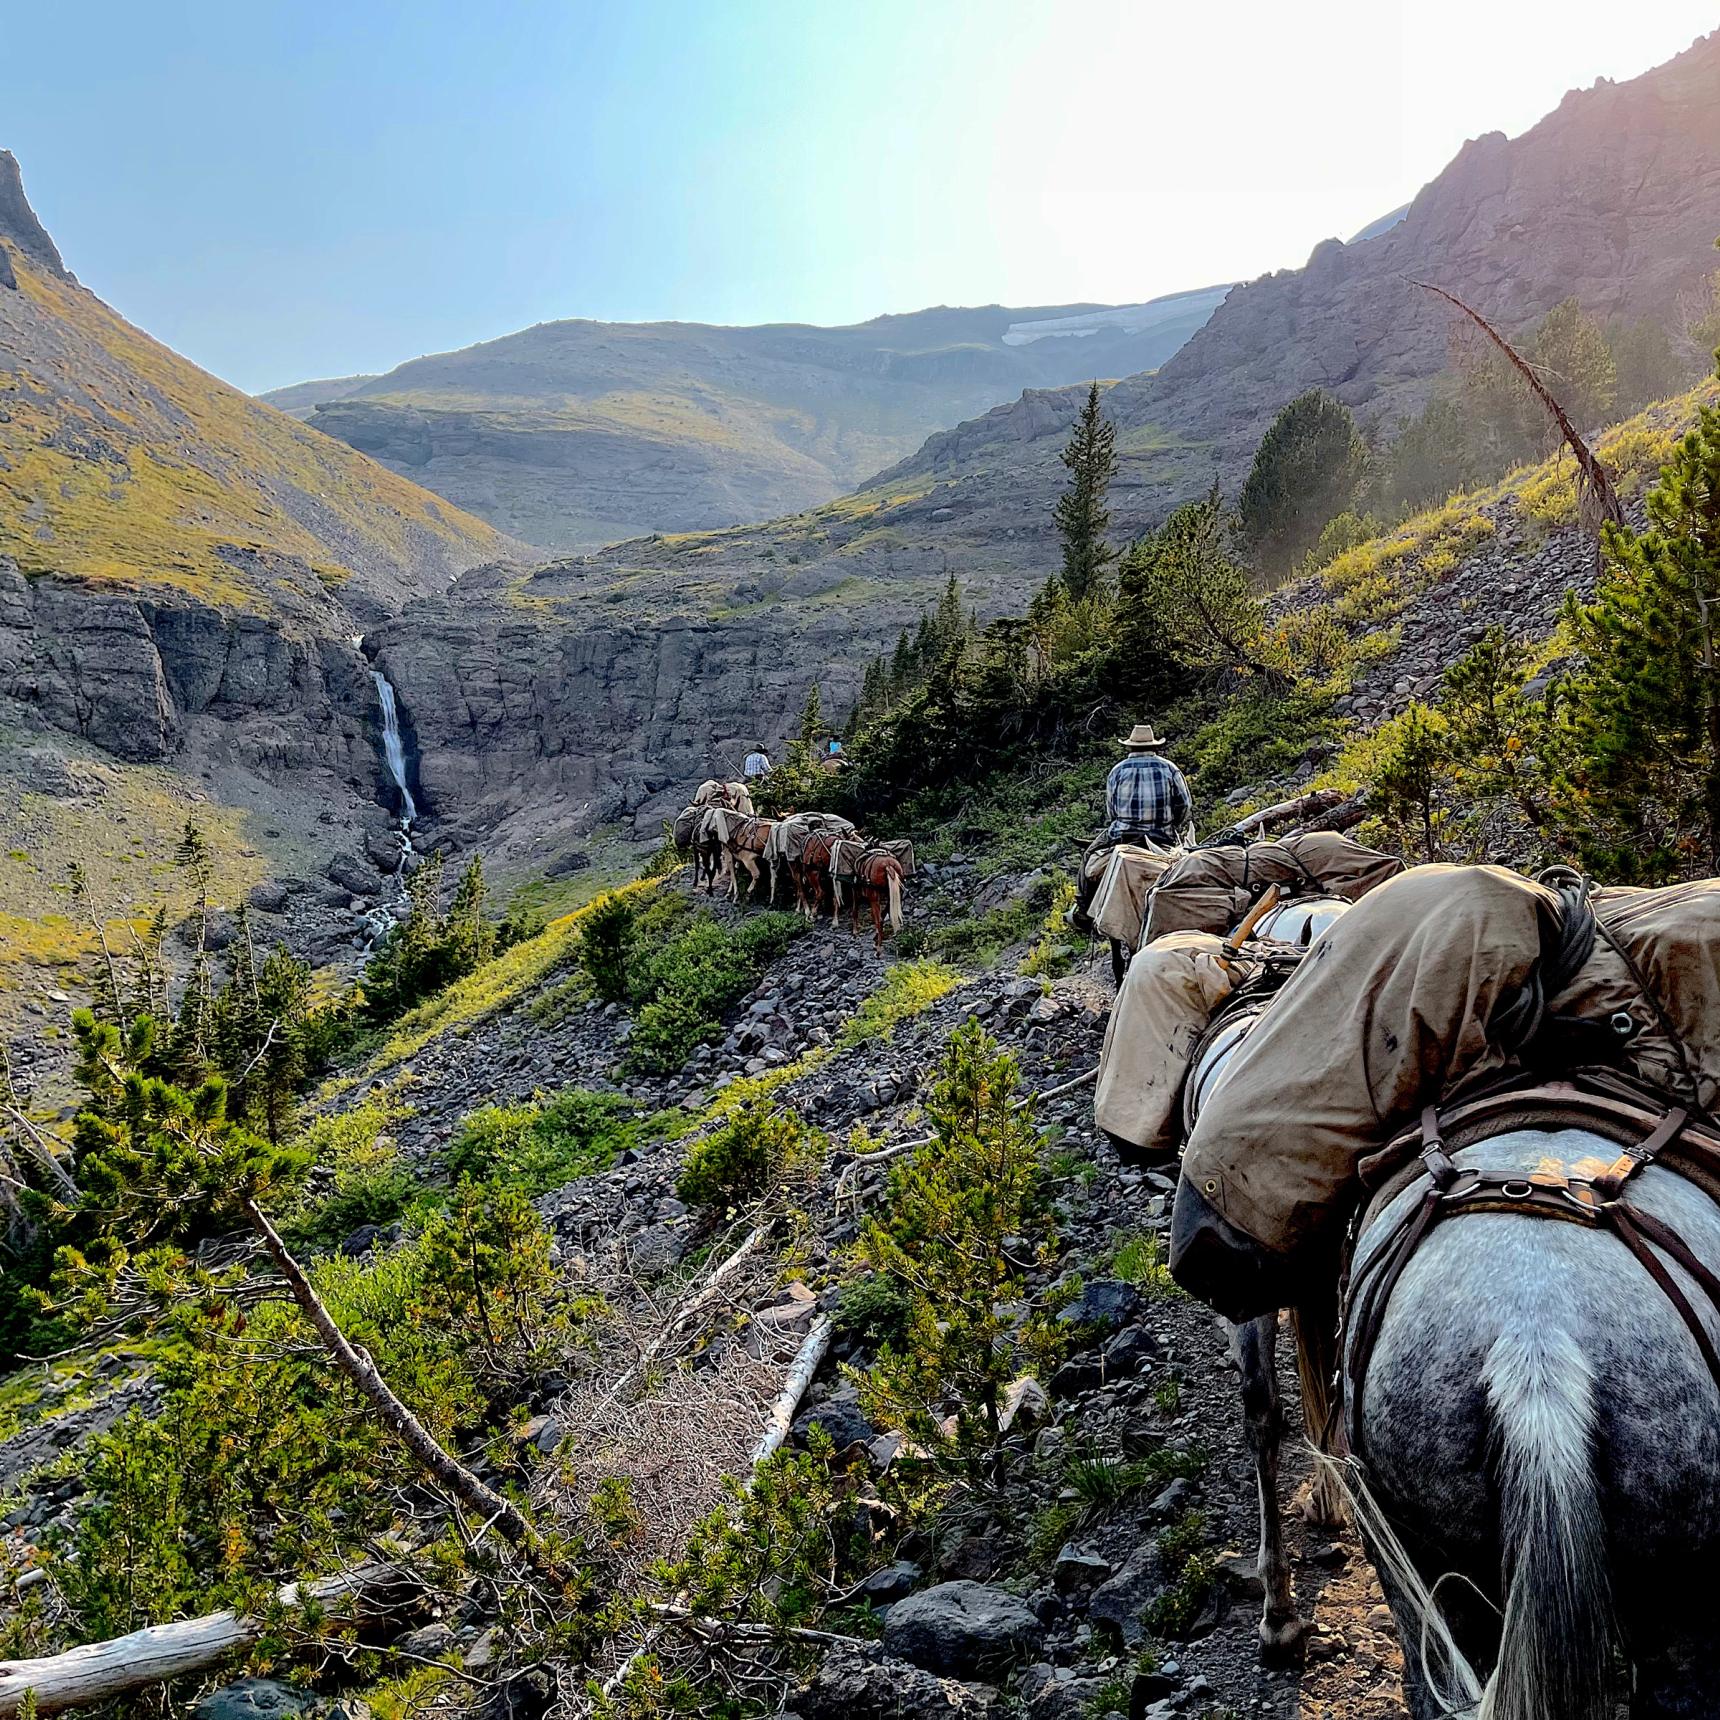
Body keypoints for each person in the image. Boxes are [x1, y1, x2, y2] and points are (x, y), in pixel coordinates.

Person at [1068, 722, 1193, 932]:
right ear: (1155, 747)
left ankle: (1083, 910)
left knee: (1089, 857)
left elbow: (1112, 810)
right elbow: (1185, 805)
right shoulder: (1170, 768)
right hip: (1162, 837)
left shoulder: (1117, 770)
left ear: (1130, 747)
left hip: (1123, 835)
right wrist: (1173, 826)